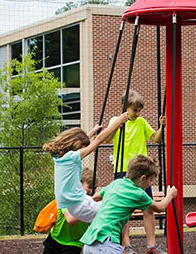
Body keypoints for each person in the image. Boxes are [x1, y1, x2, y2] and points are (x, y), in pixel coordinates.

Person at [106, 89, 166, 254]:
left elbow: (156, 138)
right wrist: (119, 122)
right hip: (123, 170)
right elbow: (106, 139)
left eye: (139, 110)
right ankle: (126, 245)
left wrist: (162, 126)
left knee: (148, 208)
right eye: (134, 110)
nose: (137, 113)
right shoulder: (116, 121)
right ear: (125, 107)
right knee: (124, 209)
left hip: (141, 172)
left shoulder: (141, 122)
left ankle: (151, 245)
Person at [80, 155, 177, 254]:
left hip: (90, 241)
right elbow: (160, 207)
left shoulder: (116, 183)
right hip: (107, 243)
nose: (150, 184)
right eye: (150, 180)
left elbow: (96, 197)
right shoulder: (138, 193)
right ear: (143, 178)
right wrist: (170, 194)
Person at [43, 112, 129, 223]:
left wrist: (92, 131)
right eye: (83, 147)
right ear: (78, 145)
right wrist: (118, 122)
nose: (84, 150)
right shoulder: (72, 157)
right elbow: (98, 141)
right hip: (80, 205)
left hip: (74, 205)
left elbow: (80, 142)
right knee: (117, 208)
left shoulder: (59, 157)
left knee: (107, 213)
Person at [43, 168, 97, 254]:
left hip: (74, 243)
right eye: (89, 187)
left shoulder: (91, 201)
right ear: (79, 184)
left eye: (94, 188)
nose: (91, 191)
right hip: (55, 238)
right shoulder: (67, 197)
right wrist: (92, 212)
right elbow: (70, 220)